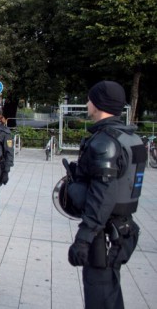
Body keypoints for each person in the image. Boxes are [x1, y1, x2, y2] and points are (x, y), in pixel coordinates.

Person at [66, 81, 144, 309]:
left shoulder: (105, 142)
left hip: (105, 234)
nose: (88, 103)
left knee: (99, 297)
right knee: (109, 293)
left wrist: (83, 238)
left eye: (90, 99)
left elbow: (103, 197)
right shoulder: (130, 137)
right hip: (122, 228)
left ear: (98, 103)